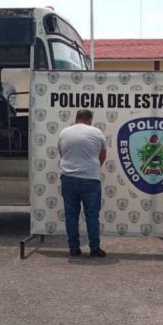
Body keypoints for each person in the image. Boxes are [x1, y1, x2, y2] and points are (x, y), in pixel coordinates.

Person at [58, 109, 107, 258]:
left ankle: (74, 248)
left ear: (76, 118)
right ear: (90, 119)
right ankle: (94, 249)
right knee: (92, 215)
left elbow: (62, 154)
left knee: (71, 215)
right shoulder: (96, 132)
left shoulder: (64, 133)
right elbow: (103, 156)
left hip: (68, 177)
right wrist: (91, 168)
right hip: (90, 179)